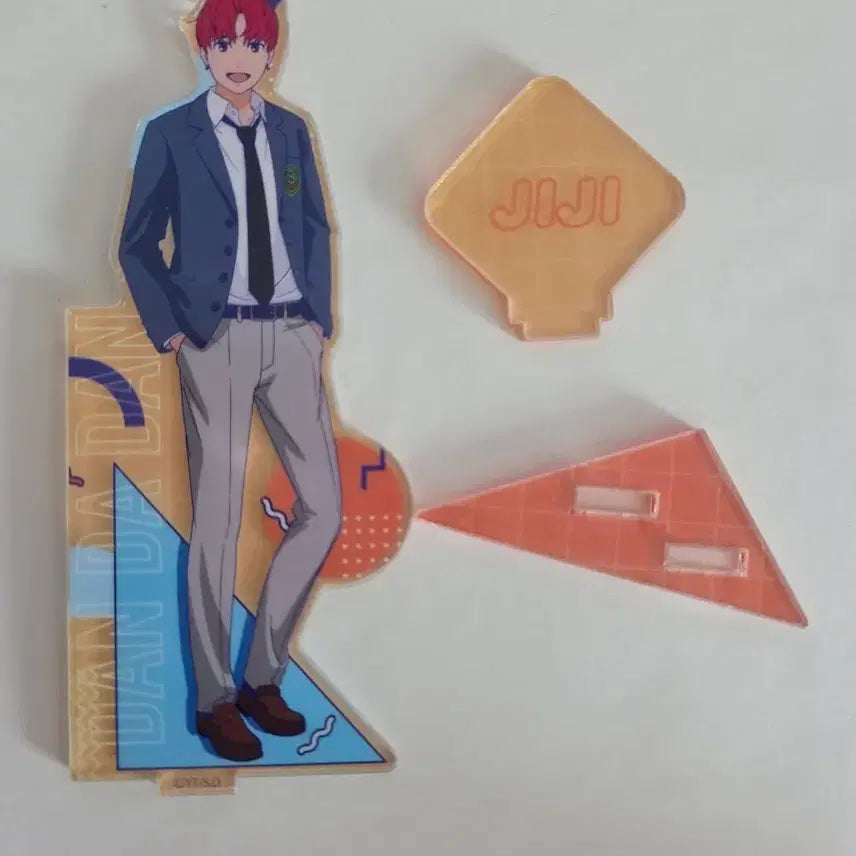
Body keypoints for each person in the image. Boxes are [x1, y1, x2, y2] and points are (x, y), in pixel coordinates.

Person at [118, 0, 342, 762]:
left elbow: (311, 225)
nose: (240, 57)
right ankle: (214, 698)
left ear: (271, 53)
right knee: (215, 519)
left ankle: (262, 676)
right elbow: (137, 244)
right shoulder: (170, 134)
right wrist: (173, 330)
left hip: (292, 335)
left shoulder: (291, 133)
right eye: (226, 42)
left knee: (324, 508)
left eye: (253, 43)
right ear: (205, 49)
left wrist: (318, 319)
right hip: (214, 339)